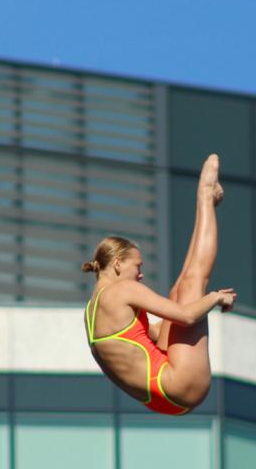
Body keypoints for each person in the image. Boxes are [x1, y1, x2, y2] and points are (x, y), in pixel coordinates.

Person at [83, 153, 235, 415]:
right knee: (192, 284)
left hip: (165, 399)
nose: (141, 275)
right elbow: (187, 317)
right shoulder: (121, 290)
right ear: (118, 264)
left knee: (180, 291)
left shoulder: (91, 311)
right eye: (137, 267)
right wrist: (215, 298)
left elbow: (149, 335)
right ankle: (205, 197)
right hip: (178, 385)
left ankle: (207, 199)